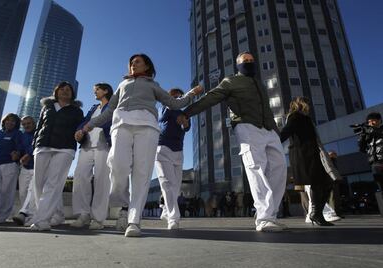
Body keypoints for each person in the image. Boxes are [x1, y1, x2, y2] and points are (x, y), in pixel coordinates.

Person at [83, 53, 203, 237]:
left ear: (147, 66)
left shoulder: (153, 85)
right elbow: (109, 111)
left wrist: (192, 94)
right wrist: (91, 124)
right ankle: (123, 204)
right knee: (117, 164)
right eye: (131, 62)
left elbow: (174, 103)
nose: (133, 64)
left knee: (142, 172)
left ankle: (133, 220)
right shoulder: (122, 85)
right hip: (121, 124)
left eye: (137, 62)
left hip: (147, 126)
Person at [177, 52, 287, 232]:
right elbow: (210, 97)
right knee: (256, 168)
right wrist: (187, 113)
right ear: (238, 65)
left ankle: (271, 214)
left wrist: (276, 130)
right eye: (245, 61)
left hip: (270, 129)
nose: (249, 63)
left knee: (279, 167)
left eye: (252, 60)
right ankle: (264, 218)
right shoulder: (231, 81)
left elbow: (266, 108)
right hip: (247, 126)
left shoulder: (258, 83)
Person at [29, 81, 84, 231]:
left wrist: (81, 139)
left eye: (68, 90)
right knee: (38, 183)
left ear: (72, 94)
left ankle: (42, 220)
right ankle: (56, 214)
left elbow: (81, 129)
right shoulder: (47, 107)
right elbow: (39, 126)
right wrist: (34, 145)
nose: (65, 91)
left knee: (53, 183)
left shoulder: (76, 111)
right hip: (42, 146)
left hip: (65, 148)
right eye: (62, 89)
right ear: (56, 91)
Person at [280, 97, 337, 226]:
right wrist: (271, 145)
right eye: (305, 102)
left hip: (313, 154)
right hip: (303, 155)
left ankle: (316, 213)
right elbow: (285, 133)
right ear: (298, 104)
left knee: (327, 182)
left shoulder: (306, 119)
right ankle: (316, 214)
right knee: (318, 183)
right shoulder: (295, 117)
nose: (308, 105)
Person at [70, 82, 113, 230]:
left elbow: (113, 122)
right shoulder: (94, 108)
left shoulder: (114, 105)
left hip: (104, 146)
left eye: (97, 90)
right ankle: (83, 214)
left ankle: (98, 218)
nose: (94, 93)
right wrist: (78, 131)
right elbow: (84, 122)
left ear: (105, 91)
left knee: (102, 181)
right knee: (80, 178)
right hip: (87, 146)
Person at [155, 88, 191, 230]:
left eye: (180, 96)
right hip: (163, 148)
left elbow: (187, 128)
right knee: (168, 184)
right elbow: (162, 118)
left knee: (175, 186)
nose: (178, 98)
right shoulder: (164, 108)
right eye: (175, 96)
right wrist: (173, 102)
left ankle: (165, 209)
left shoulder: (184, 112)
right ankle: (173, 217)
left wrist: (185, 123)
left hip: (178, 151)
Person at [12, 116, 36, 225]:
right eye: (24, 124)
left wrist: (29, 155)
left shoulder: (39, 132)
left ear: (34, 123)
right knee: (23, 193)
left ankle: (26, 215)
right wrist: (17, 154)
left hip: (37, 168)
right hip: (25, 168)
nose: (27, 126)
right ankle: (24, 215)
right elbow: (20, 148)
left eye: (29, 123)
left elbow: (36, 146)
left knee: (32, 191)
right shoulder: (22, 136)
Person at [358, 112, 383, 210]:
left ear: (379, 120)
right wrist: (362, 136)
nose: (371, 123)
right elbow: (362, 149)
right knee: (381, 187)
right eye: (369, 121)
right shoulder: (368, 134)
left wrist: (371, 130)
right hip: (375, 163)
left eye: (373, 121)